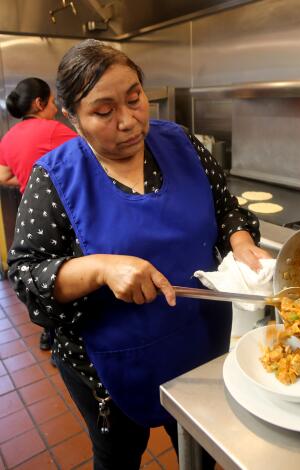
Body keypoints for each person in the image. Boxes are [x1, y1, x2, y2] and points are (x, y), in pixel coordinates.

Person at [8, 39, 271, 469]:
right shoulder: (55, 178)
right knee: (118, 457)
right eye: (104, 111)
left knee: (199, 448)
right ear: (73, 118)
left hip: (197, 345)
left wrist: (240, 240)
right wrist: (99, 268)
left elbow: (226, 208)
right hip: (107, 367)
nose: (129, 121)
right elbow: (26, 275)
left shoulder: (181, 145)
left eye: (135, 99)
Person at [0, 77, 77, 351]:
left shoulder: (8, 138)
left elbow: (3, 174)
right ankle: (64, 340)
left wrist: (27, 180)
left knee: (40, 273)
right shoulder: (54, 131)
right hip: (61, 215)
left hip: (28, 214)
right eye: (53, 102)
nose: (55, 109)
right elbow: (93, 154)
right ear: (39, 103)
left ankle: (48, 333)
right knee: (64, 274)